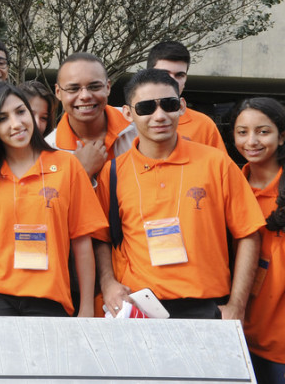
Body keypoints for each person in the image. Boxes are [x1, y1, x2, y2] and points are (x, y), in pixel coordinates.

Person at [94, 69, 265, 319]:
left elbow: (248, 233)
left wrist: (237, 305)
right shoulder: (113, 172)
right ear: (128, 114)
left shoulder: (217, 163)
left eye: (169, 104)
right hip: (139, 309)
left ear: (182, 106)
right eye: (146, 108)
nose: (159, 115)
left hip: (206, 307)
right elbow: (101, 237)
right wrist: (108, 283)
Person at [0, 82, 106, 317]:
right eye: (2, 118)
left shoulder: (68, 166)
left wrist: (86, 307)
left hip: (50, 297)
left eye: (20, 111)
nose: (16, 124)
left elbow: (82, 242)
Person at [231, 98, 285, 384]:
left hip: (281, 351)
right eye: (242, 132)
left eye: (263, 131)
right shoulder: (228, 187)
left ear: (282, 136)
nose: (251, 141)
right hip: (233, 339)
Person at [46, 52, 137, 177]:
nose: (85, 96)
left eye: (94, 87)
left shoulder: (138, 124)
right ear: (58, 92)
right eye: (73, 89)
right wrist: (81, 171)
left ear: (108, 87)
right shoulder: (49, 149)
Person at [146, 41, 227, 152]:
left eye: (179, 75)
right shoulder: (126, 121)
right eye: (164, 74)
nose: (172, 81)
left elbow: (220, 167)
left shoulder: (203, 125)